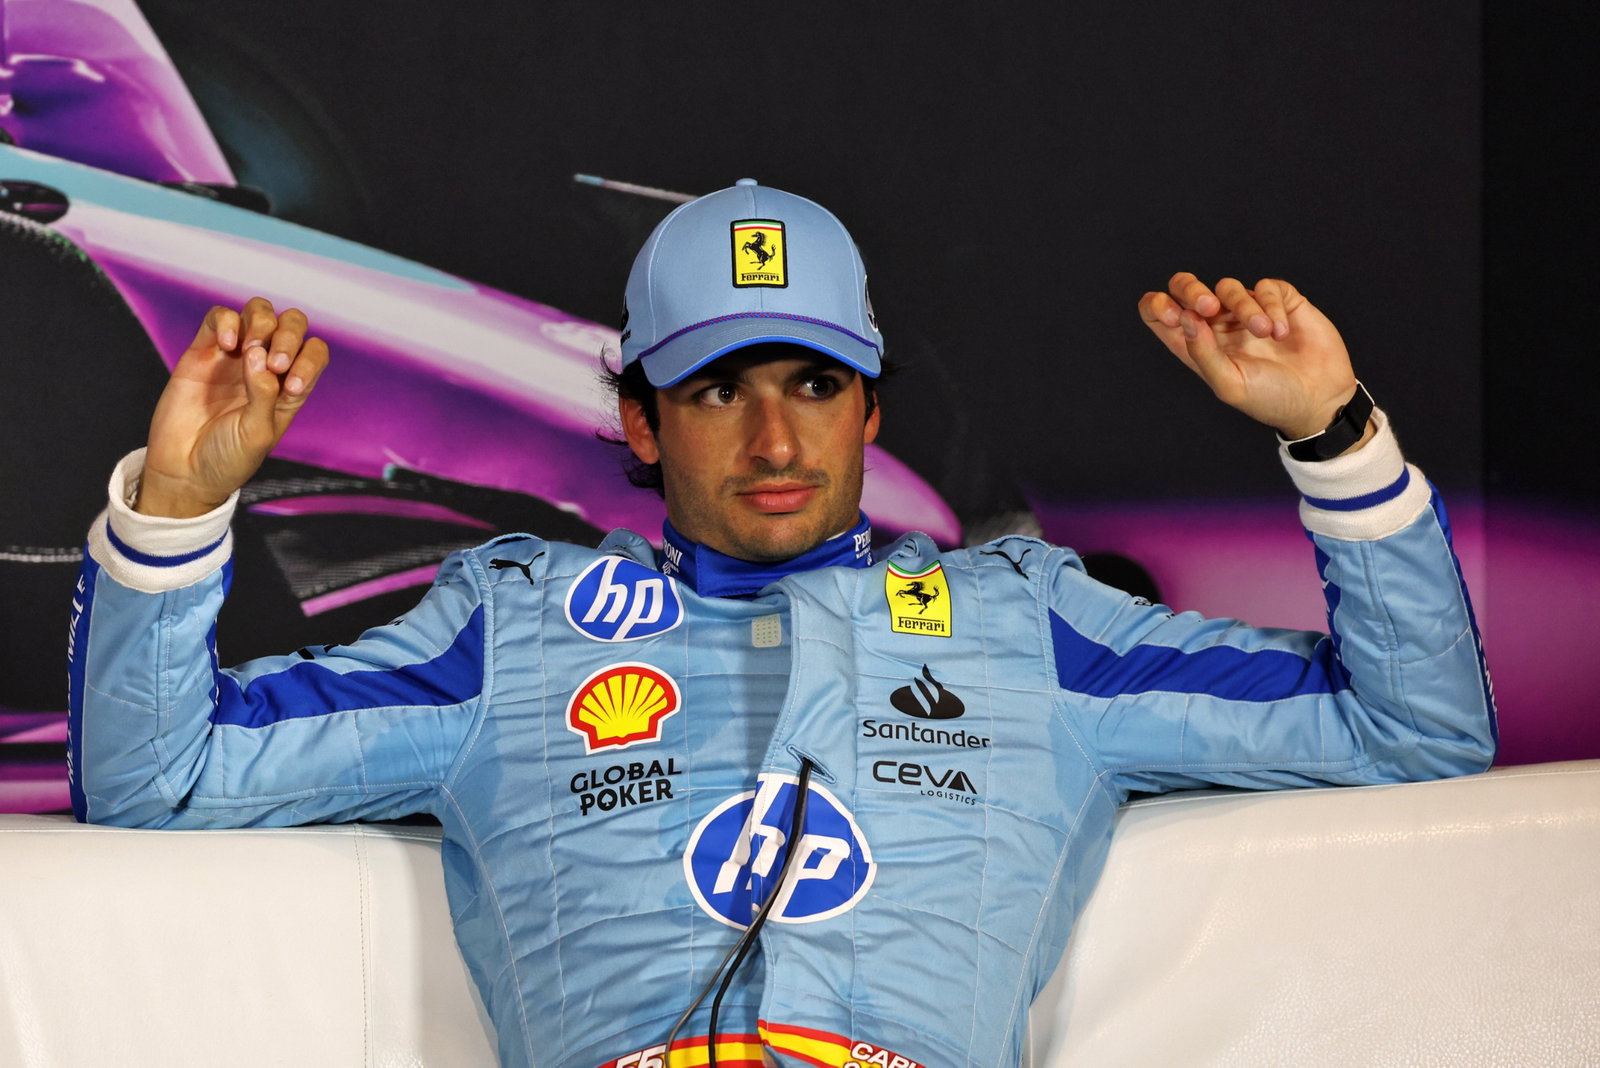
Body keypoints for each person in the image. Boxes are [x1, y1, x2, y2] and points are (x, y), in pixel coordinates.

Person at [70, 179, 1495, 1068]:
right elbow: (158, 776)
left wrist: (1341, 441)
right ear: (637, 416)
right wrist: (180, 510)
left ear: (871, 408)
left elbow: (1416, 729)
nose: (771, 436)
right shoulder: (510, 630)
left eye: (813, 386)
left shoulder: (1037, 627)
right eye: (714, 388)